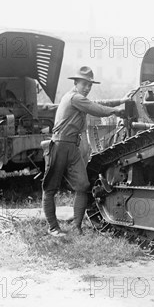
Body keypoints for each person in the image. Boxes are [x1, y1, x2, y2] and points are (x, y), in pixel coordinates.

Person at [42, 66, 126, 237]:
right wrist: (116, 110)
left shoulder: (80, 99)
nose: (87, 88)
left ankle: (76, 227)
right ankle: (53, 227)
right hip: (59, 145)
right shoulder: (74, 97)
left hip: (72, 147)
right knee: (50, 189)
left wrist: (119, 102)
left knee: (83, 186)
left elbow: (97, 104)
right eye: (85, 84)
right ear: (76, 83)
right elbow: (96, 109)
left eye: (90, 85)